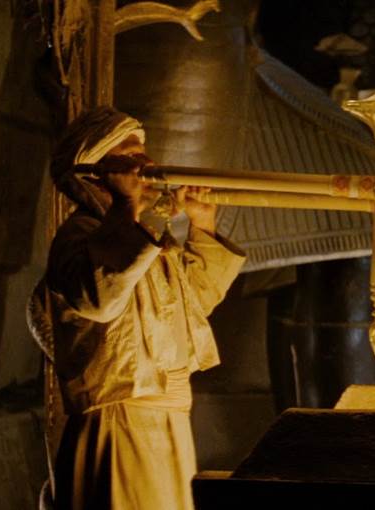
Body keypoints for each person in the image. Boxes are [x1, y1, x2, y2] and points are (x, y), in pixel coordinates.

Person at [29, 107, 245, 509]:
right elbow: (99, 298)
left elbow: (192, 305)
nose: (145, 165)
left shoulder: (139, 239)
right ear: (97, 173)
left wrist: (201, 227)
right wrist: (127, 205)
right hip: (122, 421)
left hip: (169, 419)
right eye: (130, 157)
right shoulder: (82, 235)